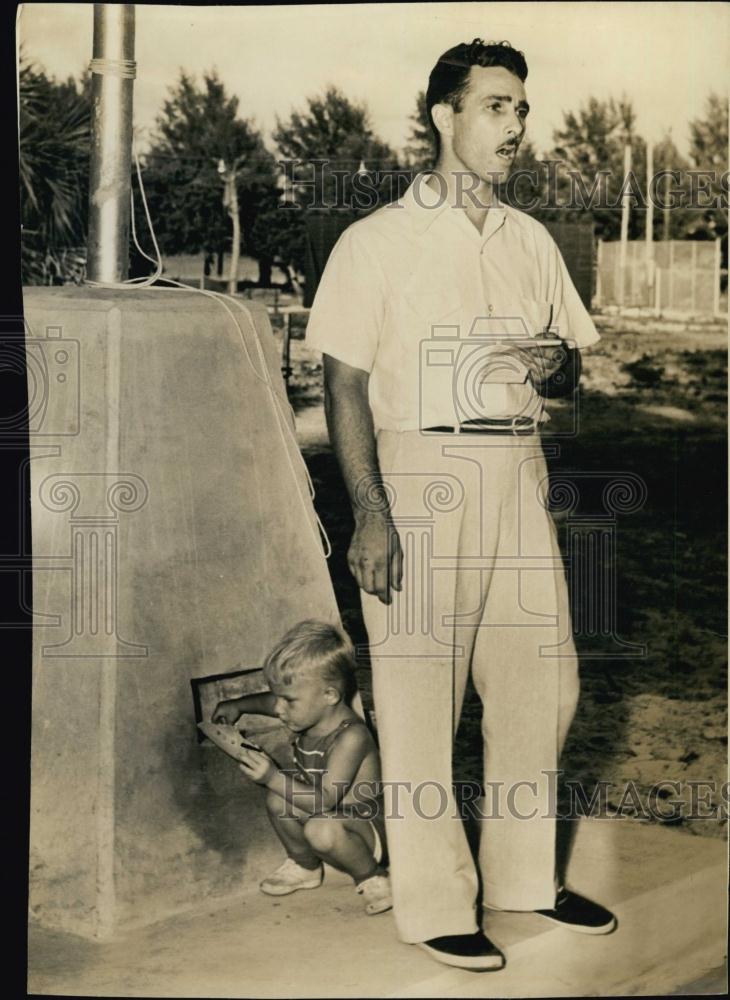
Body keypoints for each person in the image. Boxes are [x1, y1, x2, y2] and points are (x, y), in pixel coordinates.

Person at [304, 38, 616, 971]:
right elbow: (344, 384)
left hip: (518, 470)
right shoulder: (375, 241)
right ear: (444, 116)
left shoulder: (529, 240)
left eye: (521, 108)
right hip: (417, 476)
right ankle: (436, 901)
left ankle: (523, 878)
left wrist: (559, 366)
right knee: (415, 695)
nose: (515, 125)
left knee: (543, 683)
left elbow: (569, 370)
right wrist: (370, 511)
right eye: (495, 106)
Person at [212, 619, 391, 916]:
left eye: (288, 701)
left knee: (319, 828)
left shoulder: (351, 736)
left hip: (371, 826)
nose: (279, 709)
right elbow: (271, 702)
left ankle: (372, 876)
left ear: (330, 695)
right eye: (278, 698)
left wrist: (272, 776)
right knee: (277, 799)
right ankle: (305, 866)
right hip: (331, 813)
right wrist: (239, 704)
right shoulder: (310, 708)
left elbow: (325, 801)